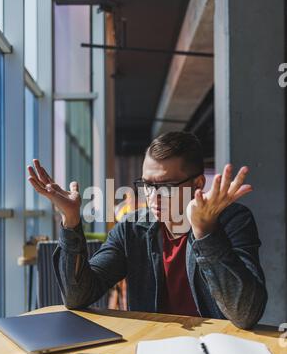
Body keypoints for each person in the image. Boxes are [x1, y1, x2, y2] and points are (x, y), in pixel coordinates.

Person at [27, 131, 268, 329]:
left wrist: (204, 231)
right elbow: (77, 296)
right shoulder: (132, 228)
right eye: (147, 185)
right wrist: (71, 219)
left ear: (198, 184)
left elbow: (245, 313)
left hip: (218, 350)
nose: (153, 197)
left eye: (166, 186)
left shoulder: (232, 220)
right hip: (152, 346)